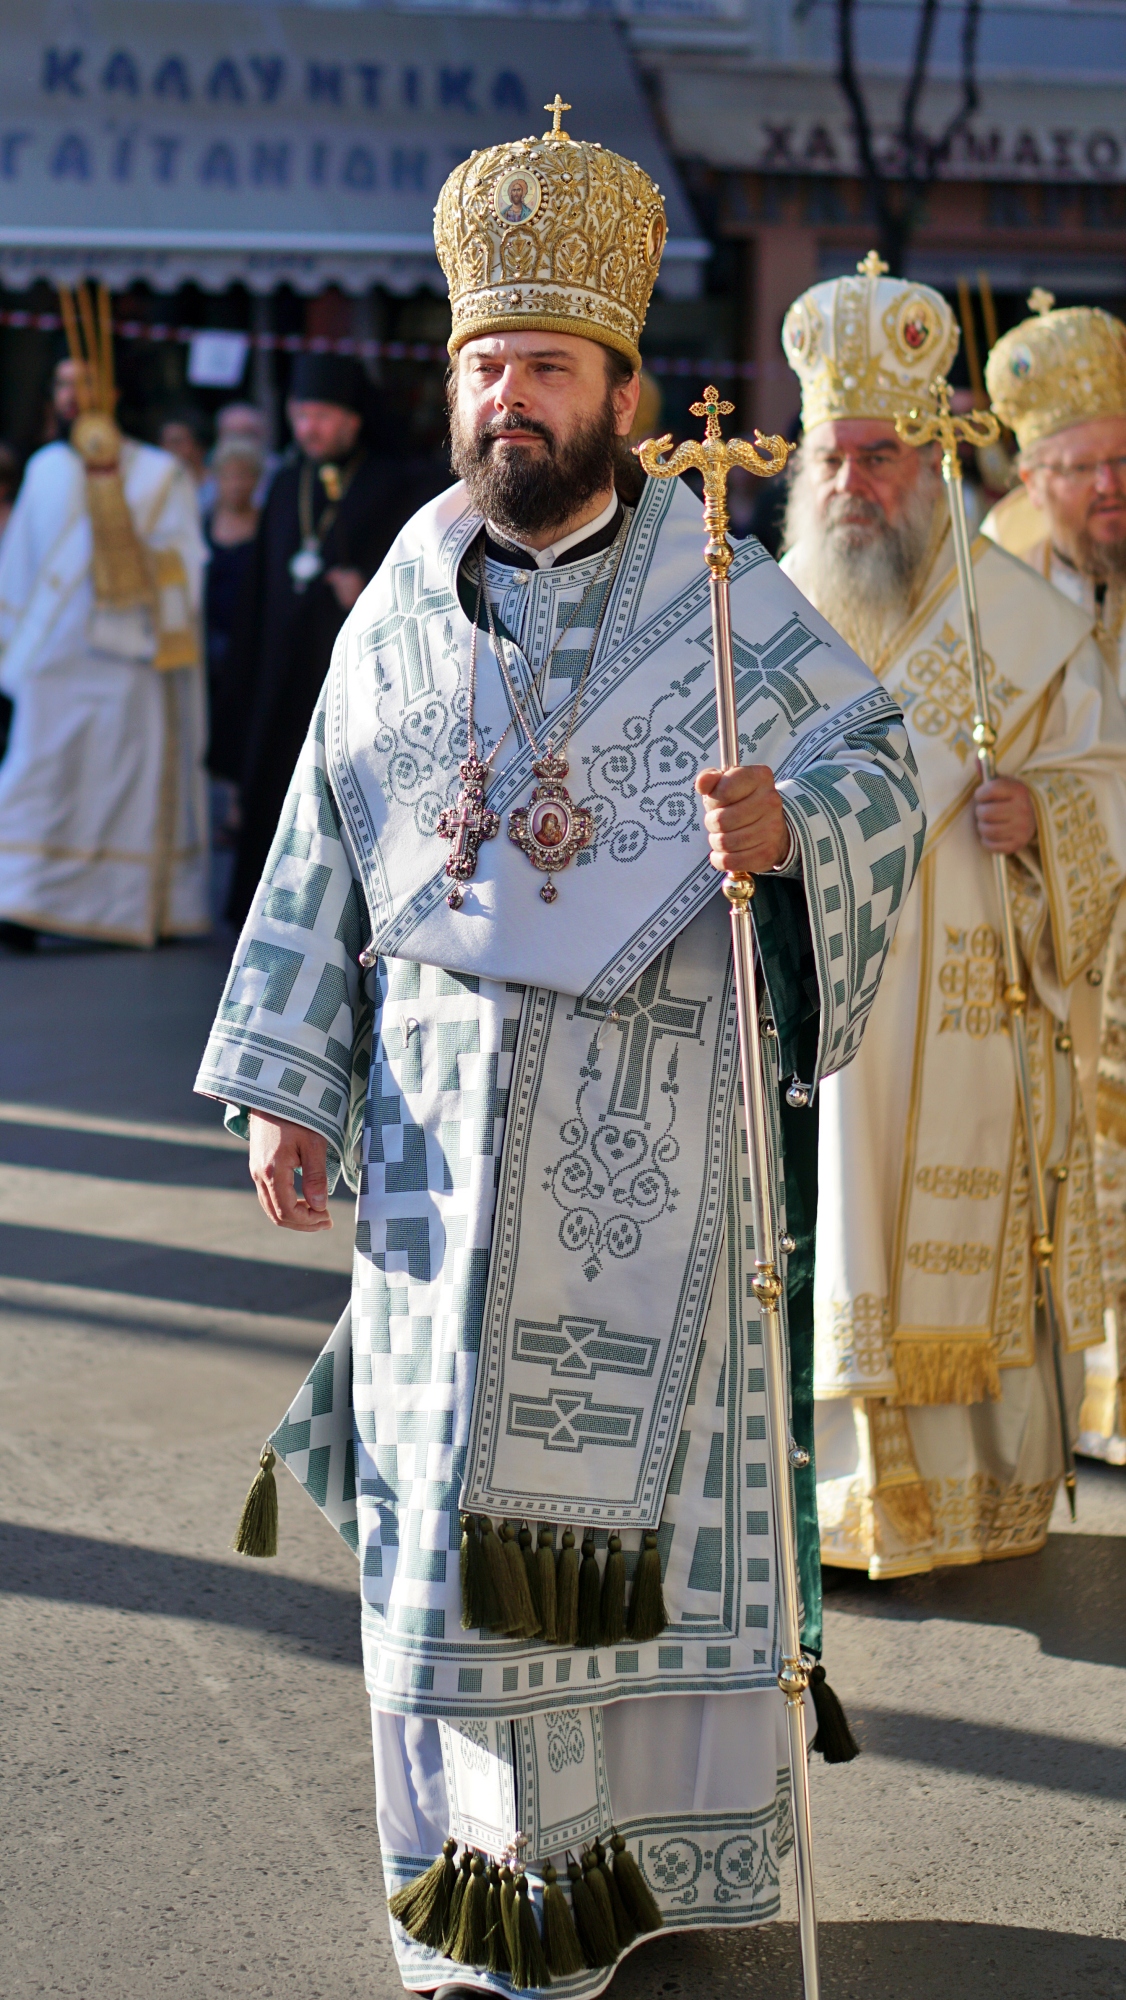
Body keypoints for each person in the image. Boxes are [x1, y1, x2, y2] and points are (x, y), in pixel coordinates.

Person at [197, 112, 925, 1994]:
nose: (508, 400)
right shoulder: (401, 613)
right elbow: (315, 849)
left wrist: (783, 842)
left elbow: (883, 771)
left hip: (660, 1168)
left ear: (622, 390)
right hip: (440, 1176)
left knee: (642, 1527)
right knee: (452, 1551)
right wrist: (290, 1078)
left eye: (544, 367)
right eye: (484, 367)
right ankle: (479, 1897)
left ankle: (654, 1871)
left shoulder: (722, 593)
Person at [780, 256, 1126, 1577]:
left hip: (967, 1004)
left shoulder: (1026, 626)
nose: (851, 484)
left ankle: (961, 1509)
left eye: (878, 456)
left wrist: (1041, 819)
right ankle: (810, 1514)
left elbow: (1099, 781)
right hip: (812, 1003)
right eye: (831, 455)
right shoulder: (761, 612)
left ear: (931, 459)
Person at [983, 293, 1126, 1466]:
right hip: (1056, 943)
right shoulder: (985, 584)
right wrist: (1041, 816)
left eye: (1124, 458)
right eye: (1079, 467)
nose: (1107, 487)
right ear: (1030, 474)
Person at [0, 311, 208, 952]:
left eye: (83, 383)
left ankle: (123, 907)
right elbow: (19, 571)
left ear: (114, 393)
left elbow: (185, 564)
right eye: (62, 384)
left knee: (120, 787)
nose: (71, 398)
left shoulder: (157, 474)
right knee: (38, 780)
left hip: (126, 659)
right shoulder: (44, 469)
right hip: (52, 666)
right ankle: (22, 902)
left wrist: (135, 565)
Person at [223, 352, 411, 926]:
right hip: (282, 671)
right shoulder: (285, 482)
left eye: (323, 415)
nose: (310, 428)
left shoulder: (395, 480)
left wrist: (370, 583)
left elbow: (412, 569)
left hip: (353, 671)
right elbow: (258, 586)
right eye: (301, 414)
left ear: (354, 418)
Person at [158, 407, 210, 490]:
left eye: (177, 442)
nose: (170, 449)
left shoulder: (217, 487)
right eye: (165, 443)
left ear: (197, 446)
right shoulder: (154, 486)